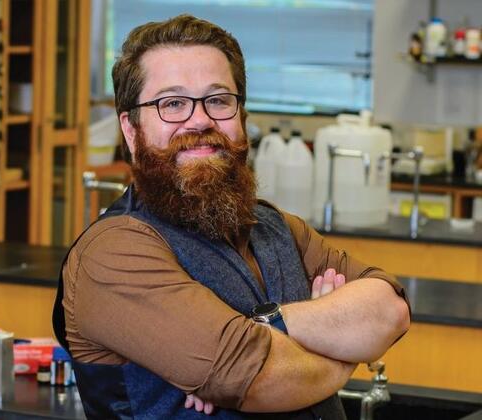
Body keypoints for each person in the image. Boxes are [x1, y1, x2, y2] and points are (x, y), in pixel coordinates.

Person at [52, 14, 410, 419]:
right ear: (131, 131)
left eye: (219, 99)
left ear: (240, 116)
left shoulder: (276, 228)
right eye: (172, 103)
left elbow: (390, 310)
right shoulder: (113, 251)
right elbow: (258, 380)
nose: (201, 119)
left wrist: (267, 327)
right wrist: (344, 353)